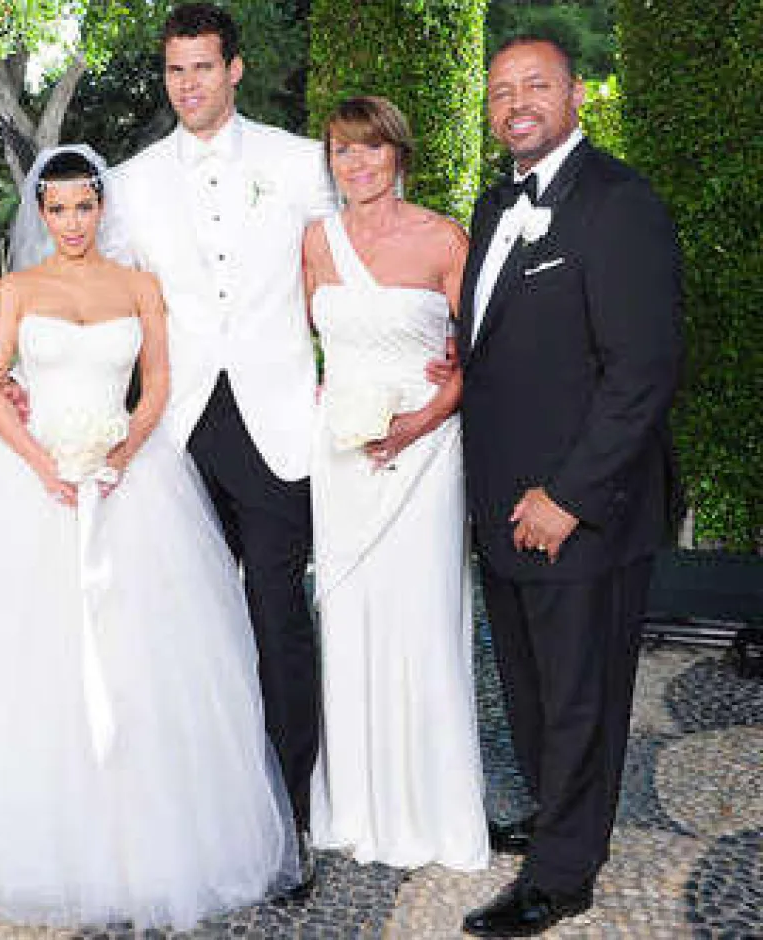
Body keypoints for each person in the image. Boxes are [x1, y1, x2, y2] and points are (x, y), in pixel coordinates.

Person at [0, 147, 298, 930]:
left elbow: (159, 382)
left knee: (139, 655)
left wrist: (122, 452)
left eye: (84, 206)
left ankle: (146, 841)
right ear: (40, 212)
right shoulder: (16, 288)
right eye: (58, 208)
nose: (72, 222)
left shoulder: (139, 286)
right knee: (32, 660)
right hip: (33, 485)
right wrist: (43, 462)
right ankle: (35, 843)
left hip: (127, 481)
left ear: (102, 207)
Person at [458, 36, 682, 937]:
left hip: (581, 511)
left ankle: (561, 876)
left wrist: (570, 498)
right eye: (501, 90)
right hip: (502, 506)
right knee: (528, 686)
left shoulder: (619, 203)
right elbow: (496, 349)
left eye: (536, 85)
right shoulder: (492, 205)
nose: (516, 103)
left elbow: (643, 372)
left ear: (576, 94)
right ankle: (560, 817)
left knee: (581, 695)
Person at [107, 3, 335, 876]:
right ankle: (199, 812)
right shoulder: (129, 182)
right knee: (187, 622)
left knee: (278, 614)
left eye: (203, 66)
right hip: (178, 431)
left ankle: (296, 812)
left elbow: (339, 266)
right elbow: (106, 297)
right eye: (175, 69)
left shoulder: (297, 161)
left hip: (279, 423)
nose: (189, 84)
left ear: (234, 69)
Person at [303, 96, 488, 873]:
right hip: (341, 455)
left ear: (399, 154)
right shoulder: (315, 242)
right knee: (348, 620)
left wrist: (422, 419)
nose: (357, 164)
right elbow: (288, 345)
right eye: (343, 151)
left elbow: (484, 353)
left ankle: (430, 811)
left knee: (421, 619)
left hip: (425, 452)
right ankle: (355, 807)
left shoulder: (444, 239)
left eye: (371, 148)